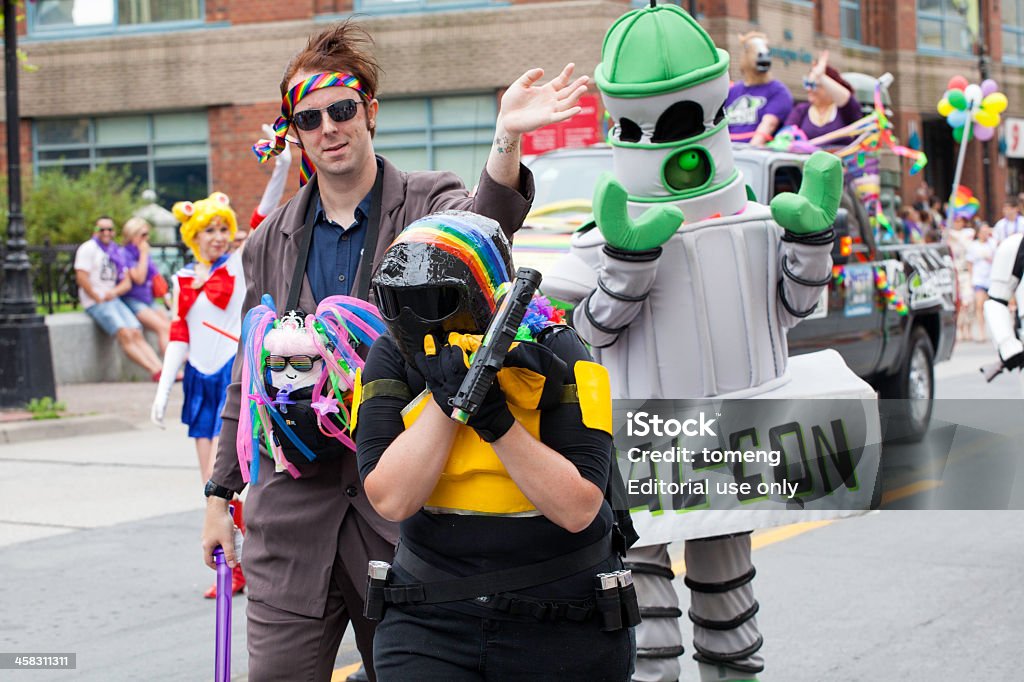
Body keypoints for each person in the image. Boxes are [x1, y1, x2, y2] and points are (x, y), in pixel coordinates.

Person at [199, 19, 587, 682]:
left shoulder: (427, 202)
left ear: (369, 112)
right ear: (295, 132)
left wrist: (506, 139)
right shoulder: (271, 241)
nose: (329, 128)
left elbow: (479, 235)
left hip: (404, 514)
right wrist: (217, 495)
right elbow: (248, 374)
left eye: (343, 109)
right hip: (294, 519)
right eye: (310, 117)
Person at [543, 5, 860, 682]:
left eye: (685, 121)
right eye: (645, 127)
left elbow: (789, 314)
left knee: (729, 608)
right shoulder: (596, 240)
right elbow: (582, 338)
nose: (671, 146)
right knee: (648, 632)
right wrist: (626, 269)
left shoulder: (755, 223)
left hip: (726, 440)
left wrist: (807, 244)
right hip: (638, 444)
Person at [355, 211, 634, 680]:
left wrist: (495, 421)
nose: (414, 317)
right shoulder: (390, 354)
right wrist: (446, 404)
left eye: (436, 300)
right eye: (398, 301)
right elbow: (391, 498)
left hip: (561, 621)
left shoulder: (558, 348)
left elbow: (578, 508)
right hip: (429, 619)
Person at [151, 192, 248, 599]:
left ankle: (239, 566)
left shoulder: (238, 266)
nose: (218, 236)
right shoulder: (184, 278)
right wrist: (162, 390)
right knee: (208, 483)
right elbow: (179, 334)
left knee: (223, 478)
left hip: (229, 376)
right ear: (193, 235)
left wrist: (280, 166)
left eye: (224, 228)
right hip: (198, 380)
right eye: (209, 229)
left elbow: (262, 216)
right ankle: (236, 563)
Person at [74, 216, 164, 380]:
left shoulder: (114, 251)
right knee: (125, 333)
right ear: (95, 231)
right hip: (96, 302)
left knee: (135, 331)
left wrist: (113, 292)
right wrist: (96, 296)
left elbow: (127, 282)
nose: (106, 233)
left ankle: (161, 369)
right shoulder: (88, 249)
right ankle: (154, 370)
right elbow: (81, 276)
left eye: (109, 229)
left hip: (113, 298)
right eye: (102, 229)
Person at [724, 32, 792, 146]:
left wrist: (749, 151)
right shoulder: (731, 91)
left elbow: (768, 125)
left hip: (756, 156)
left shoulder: (778, 91)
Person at [783, 50, 862, 145]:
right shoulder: (801, 110)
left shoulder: (844, 111)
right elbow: (785, 135)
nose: (809, 89)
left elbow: (848, 99)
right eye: (807, 83)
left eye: (813, 85)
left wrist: (821, 76)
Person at [120, 217, 171, 354]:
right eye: (143, 235)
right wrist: (143, 254)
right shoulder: (124, 254)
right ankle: (171, 371)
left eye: (147, 234)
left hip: (148, 300)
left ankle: (176, 363)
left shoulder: (144, 254)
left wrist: (166, 296)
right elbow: (139, 278)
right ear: (132, 235)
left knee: (171, 326)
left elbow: (155, 276)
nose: (146, 238)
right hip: (133, 301)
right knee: (163, 328)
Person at [967, 223, 996, 342]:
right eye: (983, 231)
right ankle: (982, 331)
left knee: (993, 306)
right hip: (979, 279)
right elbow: (970, 263)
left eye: (987, 231)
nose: (985, 234)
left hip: (992, 279)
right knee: (979, 305)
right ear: (978, 233)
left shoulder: (993, 244)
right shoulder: (973, 246)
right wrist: (971, 278)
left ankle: (994, 330)